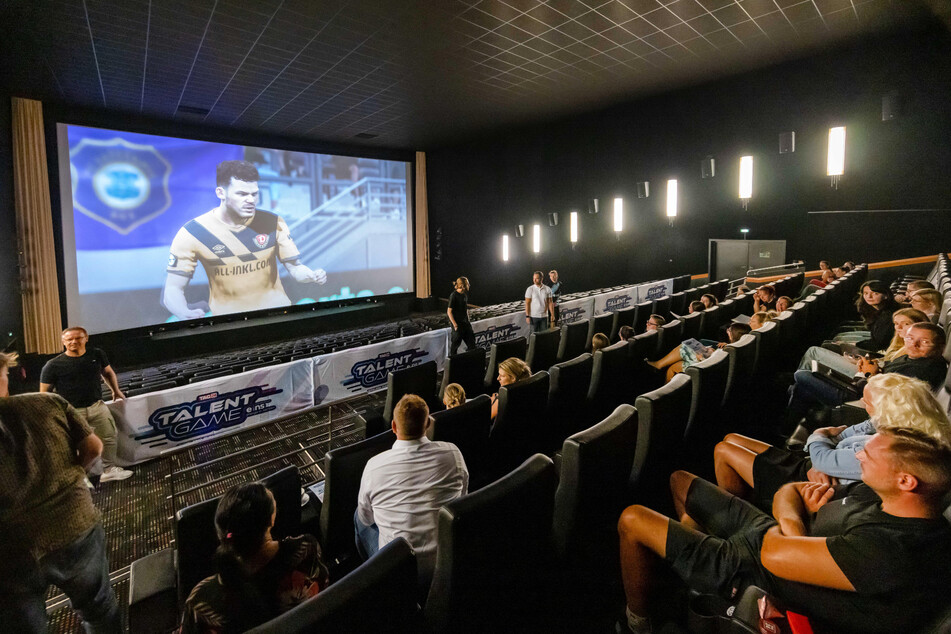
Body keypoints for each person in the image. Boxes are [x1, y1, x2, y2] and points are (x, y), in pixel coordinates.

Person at [617, 427, 951, 634]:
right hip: (777, 534)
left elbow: (774, 553)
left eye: (869, 455)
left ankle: (639, 621)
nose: (858, 455)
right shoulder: (878, 495)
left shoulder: (893, 552)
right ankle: (689, 568)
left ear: (905, 481)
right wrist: (790, 514)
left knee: (632, 519)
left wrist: (788, 517)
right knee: (680, 481)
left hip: (758, 574)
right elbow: (793, 490)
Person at [0, 351, 122, 633]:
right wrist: (70, 475)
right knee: (99, 608)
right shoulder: (47, 402)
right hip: (74, 523)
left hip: (10, 548)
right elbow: (93, 447)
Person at [714, 373, 950, 510]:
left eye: (867, 402)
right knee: (731, 438)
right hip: (808, 464)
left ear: (887, 409)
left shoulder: (894, 448)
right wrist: (823, 454)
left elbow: (826, 452)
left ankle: (739, 509)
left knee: (723, 450)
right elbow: (840, 438)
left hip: (806, 480)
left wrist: (819, 438)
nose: (862, 404)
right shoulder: (888, 422)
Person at [163, 160, 327, 321]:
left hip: (279, 317)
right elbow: (172, 289)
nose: (250, 200)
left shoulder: (274, 222)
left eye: (254, 194)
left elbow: (296, 269)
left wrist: (311, 275)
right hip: (229, 324)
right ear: (221, 193)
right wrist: (183, 311)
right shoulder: (193, 232)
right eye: (242, 194)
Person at [181, 482, 330, 633]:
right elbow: (325, 594)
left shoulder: (200, 602)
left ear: (222, 534)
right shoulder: (306, 549)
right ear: (271, 521)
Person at [355, 394, 468, 584]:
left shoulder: (374, 466)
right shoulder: (453, 453)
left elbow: (367, 518)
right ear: (428, 424)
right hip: (445, 560)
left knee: (358, 517)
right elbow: (462, 499)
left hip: (399, 569)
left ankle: (373, 578)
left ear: (393, 426)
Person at [787, 323, 948, 427]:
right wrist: (872, 368)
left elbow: (889, 398)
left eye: (925, 342)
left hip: (864, 402)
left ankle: (789, 426)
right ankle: (789, 427)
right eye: (910, 338)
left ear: (940, 346)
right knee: (801, 387)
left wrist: (866, 374)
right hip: (863, 387)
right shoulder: (911, 357)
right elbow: (886, 375)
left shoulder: (926, 368)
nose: (914, 344)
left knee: (803, 375)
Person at [40, 327, 132, 482]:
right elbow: (44, 393)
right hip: (72, 412)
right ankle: (80, 478)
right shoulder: (52, 365)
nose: (74, 342)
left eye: (78, 338)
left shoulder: (96, 354)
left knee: (109, 437)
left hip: (97, 406)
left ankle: (108, 471)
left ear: (86, 338)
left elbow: (108, 373)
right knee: (75, 447)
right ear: (63, 342)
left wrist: (116, 390)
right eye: (69, 339)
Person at [796, 307, 928, 376]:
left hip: (868, 376)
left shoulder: (914, 348)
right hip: (872, 369)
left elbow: (890, 373)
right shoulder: (901, 343)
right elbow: (888, 362)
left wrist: (869, 368)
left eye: (905, 324)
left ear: (919, 326)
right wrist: (864, 360)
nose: (898, 328)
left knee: (813, 352)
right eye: (896, 323)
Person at [648, 322, 751, 382]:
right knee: (673, 367)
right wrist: (714, 351)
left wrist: (701, 358)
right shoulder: (739, 347)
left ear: (734, 334)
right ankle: (666, 391)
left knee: (685, 347)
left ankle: (658, 365)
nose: (727, 330)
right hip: (710, 362)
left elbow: (719, 364)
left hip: (707, 368)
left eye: (729, 330)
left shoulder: (732, 349)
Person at [832, 280, 899, 351]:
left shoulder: (887, 316)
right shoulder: (874, 309)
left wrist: (852, 344)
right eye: (866, 293)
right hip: (874, 342)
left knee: (830, 345)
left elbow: (878, 345)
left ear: (886, 296)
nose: (869, 296)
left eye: (875, 293)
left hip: (881, 351)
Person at [447, 276, 475, 355]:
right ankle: (452, 363)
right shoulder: (453, 295)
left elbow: (465, 309)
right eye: (467, 284)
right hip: (458, 325)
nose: (468, 285)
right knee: (455, 346)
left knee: (472, 344)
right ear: (462, 285)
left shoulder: (464, 295)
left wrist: (468, 320)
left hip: (465, 324)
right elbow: (449, 312)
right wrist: (455, 325)